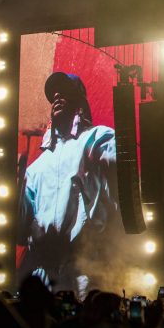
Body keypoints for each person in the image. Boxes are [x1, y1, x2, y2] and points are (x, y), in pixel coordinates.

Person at [18, 72, 119, 295]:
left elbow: (121, 172)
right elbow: (21, 228)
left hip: (84, 268)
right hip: (44, 271)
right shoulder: (36, 168)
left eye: (64, 92)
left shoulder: (97, 138)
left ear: (79, 100)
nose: (56, 96)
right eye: (54, 94)